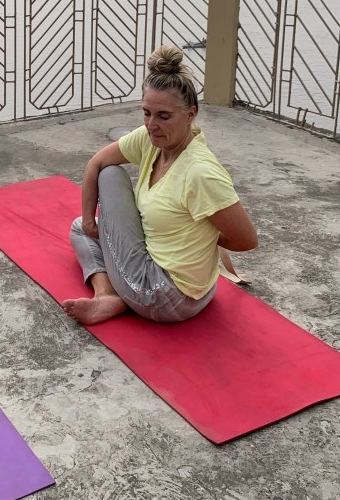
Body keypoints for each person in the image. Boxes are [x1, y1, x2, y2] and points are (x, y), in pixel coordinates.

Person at [62, 44, 258, 325]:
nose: (152, 125)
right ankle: (109, 295)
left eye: (164, 116)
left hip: (164, 295)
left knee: (88, 216)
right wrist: (89, 219)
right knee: (83, 223)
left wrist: (198, 235)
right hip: (189, 285)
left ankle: (112, 295)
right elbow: (96, 162)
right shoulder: (149, 139)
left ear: (191, 114)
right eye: (146, 113)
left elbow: (247, 240)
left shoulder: (200, 172)